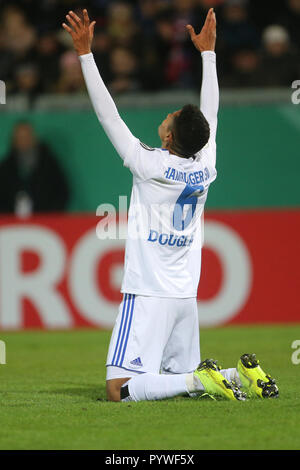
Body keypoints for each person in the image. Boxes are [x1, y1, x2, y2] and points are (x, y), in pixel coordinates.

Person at [63, 8, 278, 402]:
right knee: (174, 381)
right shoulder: (206, 165)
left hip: (148, 292)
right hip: (185, 295)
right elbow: (210, 112)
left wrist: (85, 56)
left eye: (172, 117)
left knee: (119, 390)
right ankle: (238, 375)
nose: (169, 114)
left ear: (167, 138)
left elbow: (108, 116)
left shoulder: (150, 164)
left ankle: (202, 379)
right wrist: (208, 56)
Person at [0, 121, 69, 215]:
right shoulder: (5, 168)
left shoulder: (48, 164)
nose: (23, 141)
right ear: (14, 140)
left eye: (26, 137)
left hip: (45, 219)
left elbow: (62, 192)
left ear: (33, 138)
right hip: (12, 223)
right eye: (20, 138)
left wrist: (50, 214)